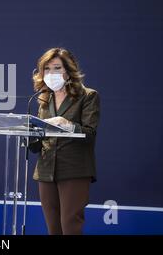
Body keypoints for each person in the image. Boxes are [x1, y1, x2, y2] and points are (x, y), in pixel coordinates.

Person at [29, 47, 100, 235]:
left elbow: (89, 134)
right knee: (53, 228)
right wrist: (28, 133)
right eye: (47, 69)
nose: (51, 73)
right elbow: (37, 145)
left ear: (68, 71)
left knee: (70, 224)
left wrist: (66, 124)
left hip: (74, 169)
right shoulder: (44, 99)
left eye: (57, 68)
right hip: (46, 170)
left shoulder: (88, 96)